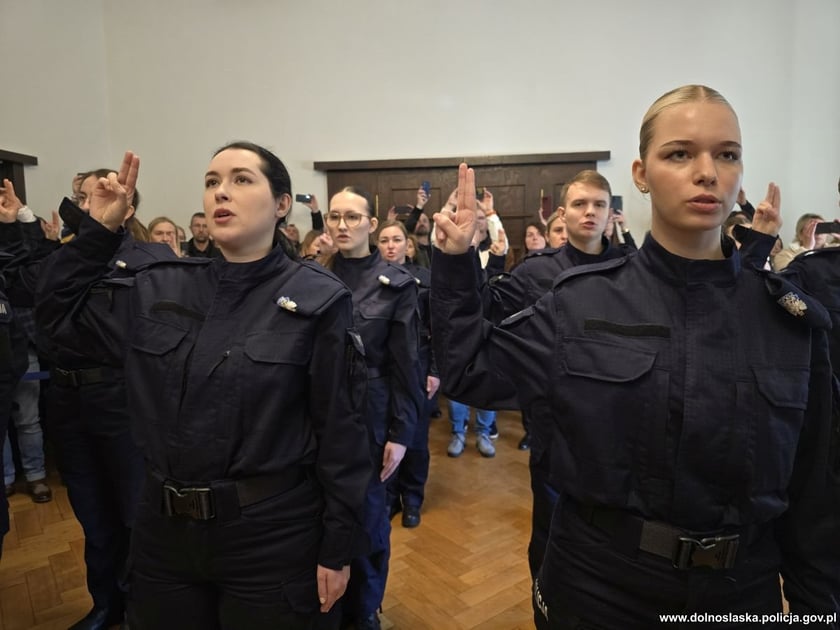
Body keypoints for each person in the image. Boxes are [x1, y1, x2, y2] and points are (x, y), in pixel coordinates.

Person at [431, 85, 839, 628]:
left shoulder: (786, 321)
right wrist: (455, 262)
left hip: (739, 591)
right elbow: (470, 370)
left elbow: (815, 492)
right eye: (679, 153)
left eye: (726, 154)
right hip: (600, 584)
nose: (707, 172)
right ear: (641, 174)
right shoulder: (580, 302)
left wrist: (819, 611)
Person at [34, 144, 371, 630]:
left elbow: (342, 433)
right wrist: (99, 234)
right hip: (163, 532)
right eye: (212, 182)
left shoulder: (317, 297)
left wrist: (337, 547)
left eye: (241, 179)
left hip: (271, 533)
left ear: (281, 204)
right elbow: (55, 319)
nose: (221, 193)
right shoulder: (160, 286)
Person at [321, 187, 423, 630]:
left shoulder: (395, 284)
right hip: (318, 413)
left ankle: (364, 608)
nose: (342, 225)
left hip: (372, 414)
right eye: (334, 217)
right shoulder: (312, 276)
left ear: (372, 224)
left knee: (368, 516)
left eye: (352, 217)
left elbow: (407, 366)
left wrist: (401, 434)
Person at [376, 220, 439, 529]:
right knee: (383, 434)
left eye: (396, 239)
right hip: (381, 369)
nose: (390, 245)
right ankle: (389, 497)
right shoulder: (371, 279)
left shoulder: (424, 279)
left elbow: (439, 328)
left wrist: (435, 371)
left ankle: (412, 498)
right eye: (384, 240)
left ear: (407, 245)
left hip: (418, 364)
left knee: (414, 436)